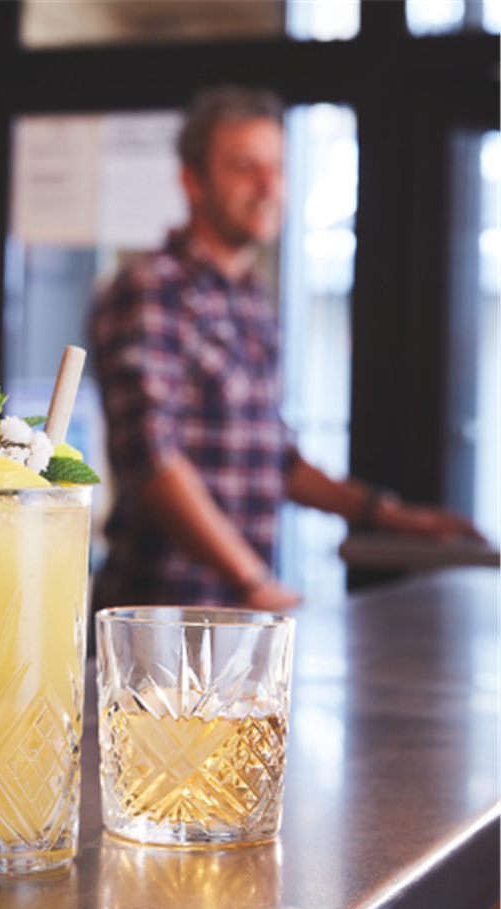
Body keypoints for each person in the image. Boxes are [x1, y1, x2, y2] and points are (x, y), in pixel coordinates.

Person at [90, 85, 477, 613]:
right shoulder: (152, 287)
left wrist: (386, 515)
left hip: (240, 618)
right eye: (244, 166)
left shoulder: (251, 297)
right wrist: (253, 581)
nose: (268, 185)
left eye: (277, 166)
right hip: (163, 615)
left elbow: (276, 458)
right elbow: (152, 459)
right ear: (192, 180)